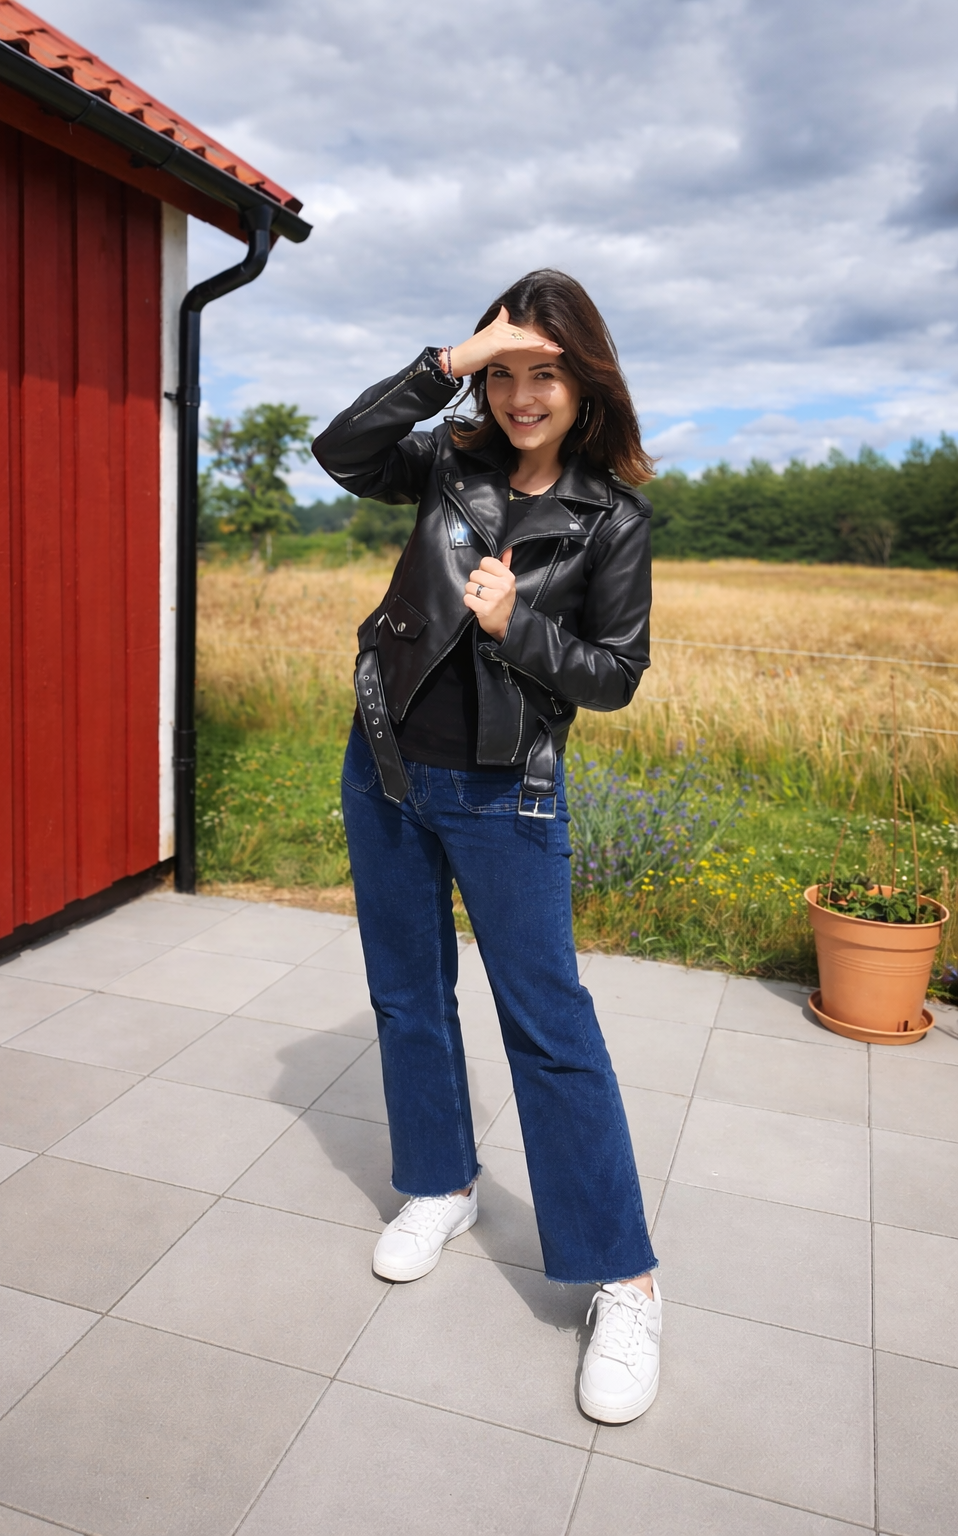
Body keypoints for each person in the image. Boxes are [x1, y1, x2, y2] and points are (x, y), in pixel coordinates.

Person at [312, 269, 661, 1424]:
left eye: (544, 372)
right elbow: (340, 449)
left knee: (549, 1028)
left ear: (585, 380)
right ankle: (438, 1183)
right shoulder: (446, 464)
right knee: (407, 996)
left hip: (508, 794)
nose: (521, 395)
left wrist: (517, 628)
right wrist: (444, 364)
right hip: (386, 767)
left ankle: (624, 1280)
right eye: (501, 371)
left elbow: (613, 675)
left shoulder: (612, 518)